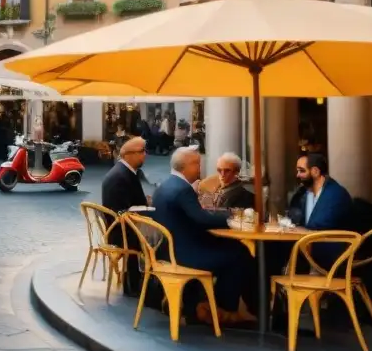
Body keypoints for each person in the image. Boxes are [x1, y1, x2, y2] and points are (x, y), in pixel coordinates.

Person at [151, 147, 256, 325]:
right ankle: (223, 309)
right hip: (184, 255)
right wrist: (231, 217)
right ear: (188, 165)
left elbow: (194, 216)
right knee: (239, 254)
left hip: (167, 252)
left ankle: (209, 304)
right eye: (198, 164)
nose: (200, 169)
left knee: (233, 249)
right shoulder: (183, 189)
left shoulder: (165, 186)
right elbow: (202, 219)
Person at [100, 137, 151, 296]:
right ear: (129, 155)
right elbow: (124, 212)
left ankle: (140, 280)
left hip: (118, 228)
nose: (145, 155)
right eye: (142, 151)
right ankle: (139, 284)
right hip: (121, 234)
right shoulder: (122, 176)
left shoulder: (123, 172)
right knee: (161, 239)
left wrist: (145, 203)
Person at [286, 153, 352, 270]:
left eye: (301, 171)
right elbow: (294, 218)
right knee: (272, 249)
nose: (298, 175)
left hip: (330, 258)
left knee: (276, 251)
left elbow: (318, 227)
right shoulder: (304, 193)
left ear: (315, 172)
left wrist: (295, 228)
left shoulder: (335, 194)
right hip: (308, 250)